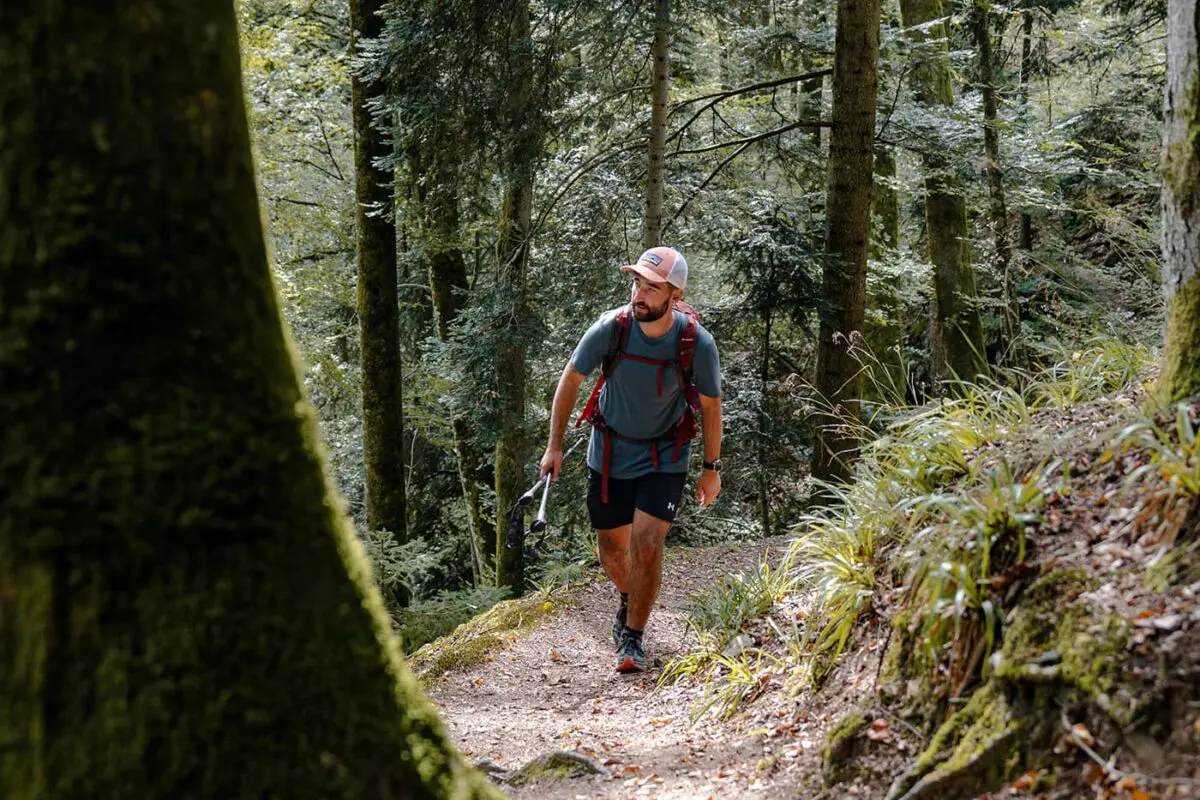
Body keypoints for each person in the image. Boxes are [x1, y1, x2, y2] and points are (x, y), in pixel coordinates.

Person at [539, 246, 723, 673]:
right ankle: (630, 596)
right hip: (609, 452)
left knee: (647, 543)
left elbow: (711, 407)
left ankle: (633, 638)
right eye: (636, 283)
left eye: (651, 287)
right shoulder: (612, 327)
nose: (639, 293)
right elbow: (570, 381)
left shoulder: (697, 343)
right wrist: (554, 446)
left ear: (674, 295)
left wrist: (711, 468)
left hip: (666, 455)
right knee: (611, 551)